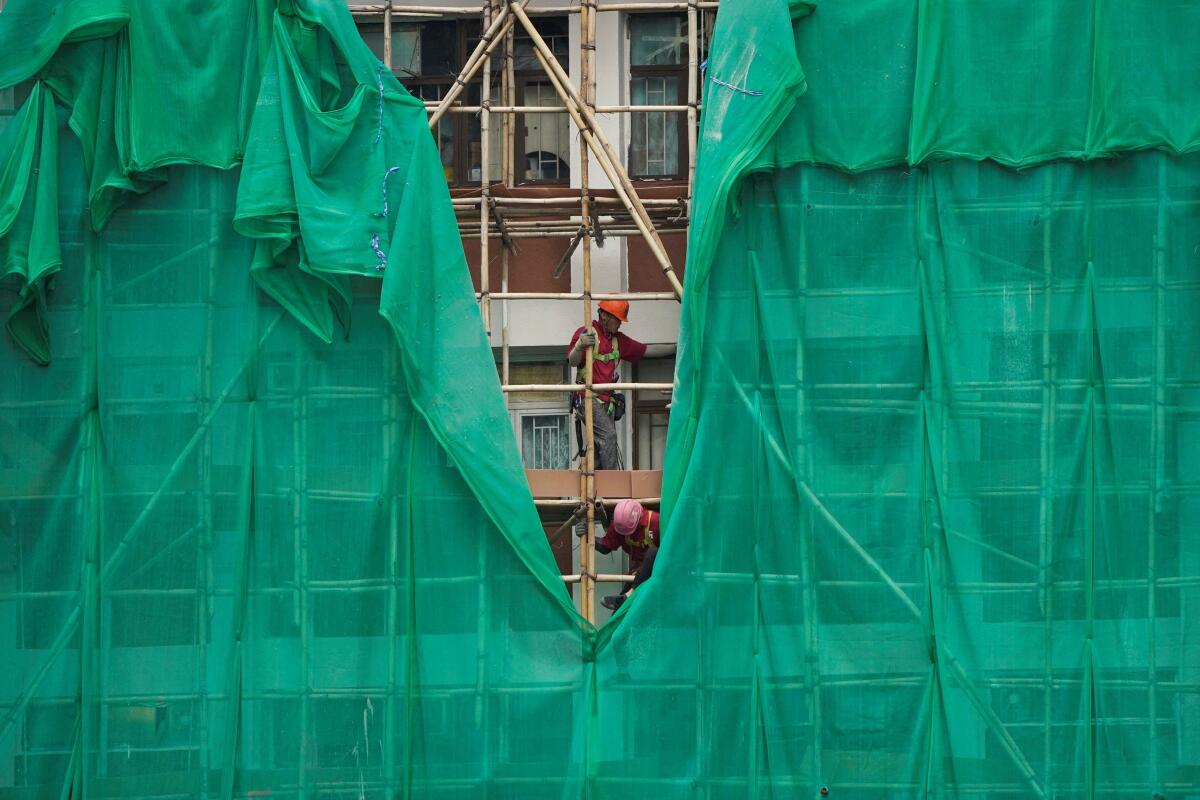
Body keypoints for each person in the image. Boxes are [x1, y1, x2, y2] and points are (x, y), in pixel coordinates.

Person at [566, 300, 673, 469]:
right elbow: (572, 361)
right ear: (603, 315)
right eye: (618, 319)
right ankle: (612, 486)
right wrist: (579, 346)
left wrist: (678, 348)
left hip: (606, 402)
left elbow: (647, 351)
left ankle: (593, 489)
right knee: (608, 437)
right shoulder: (587, 333)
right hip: (586, 398)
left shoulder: (618, 341)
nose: (620, 324)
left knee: (601, 447)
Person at [595, 499, 660, 611]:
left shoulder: (656, 521)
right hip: (638, 574)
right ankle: (625, 598)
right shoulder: (619, 525)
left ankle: (628, 596)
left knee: (653, 552)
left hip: (659, 570)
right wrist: (587, 536)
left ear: (639, 520)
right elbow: (606, 547)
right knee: (619, 611)